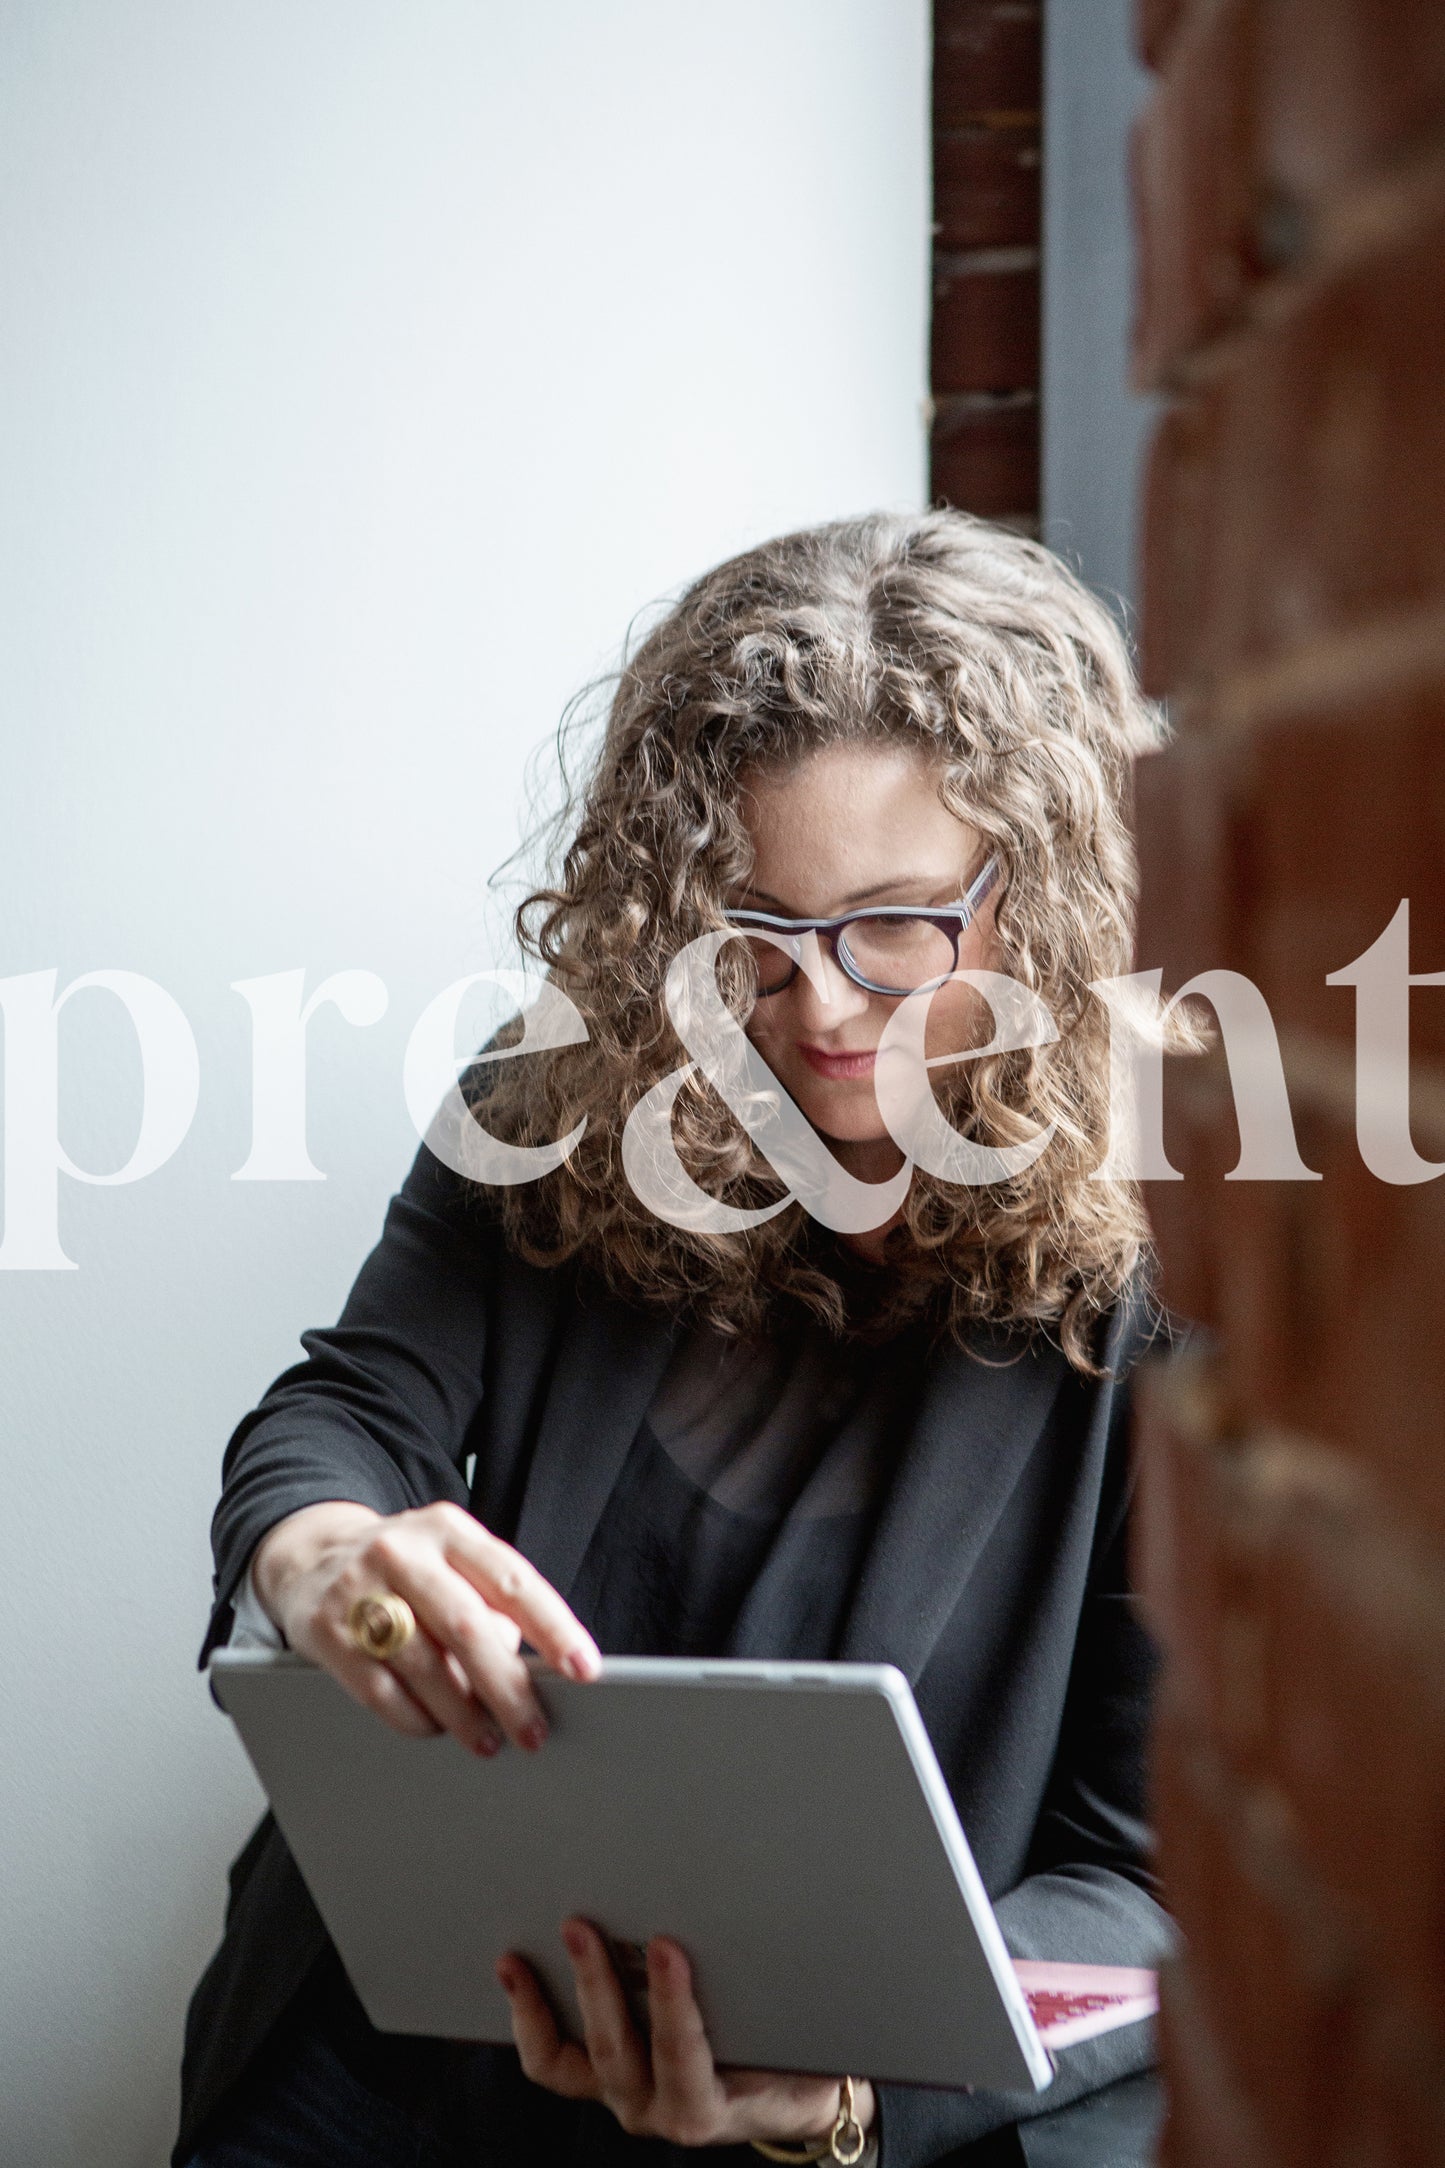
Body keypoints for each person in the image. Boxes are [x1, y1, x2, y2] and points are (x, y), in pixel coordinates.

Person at [174, 509, 1184, 2168]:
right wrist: (321, 1555)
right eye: (749, 931)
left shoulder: (1193, 1238)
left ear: (1050, 902)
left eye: (896, 923)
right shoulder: (564, 1097)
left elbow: (1150, 1878)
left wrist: (847, 2088)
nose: (823, 1009)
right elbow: (347, 1411)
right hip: (407, 2061)